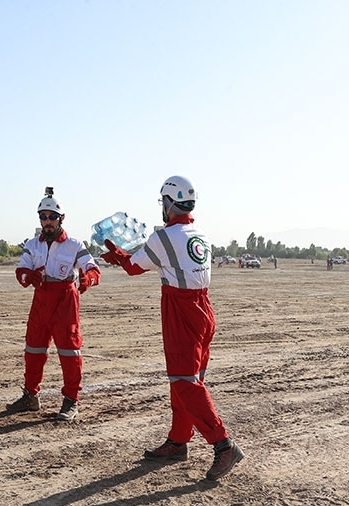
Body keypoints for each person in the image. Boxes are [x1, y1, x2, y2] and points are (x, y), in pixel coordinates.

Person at [100, 175, 244, 482]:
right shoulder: (199, 233)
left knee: (184, 382)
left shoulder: (164, 237)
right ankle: (179, 440)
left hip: (181, 310)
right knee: (188, 379)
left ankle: (223, 445)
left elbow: (133, 268)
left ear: (168, 203)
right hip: (203, 309)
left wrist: (118, 255)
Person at [5, 188, 100, 420]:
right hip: (40, 300)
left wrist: (89, 278)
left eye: (52, 217)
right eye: (43, 217)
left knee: (70, 352)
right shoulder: (32, 244)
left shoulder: (75, 245)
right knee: (33, 350)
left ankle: (70, 401)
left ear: (61, 218)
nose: (47, 221)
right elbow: (22, 271)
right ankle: (30, 396)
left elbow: (93, 269)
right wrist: (29, 277)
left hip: (65, 301)